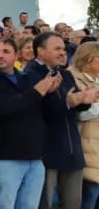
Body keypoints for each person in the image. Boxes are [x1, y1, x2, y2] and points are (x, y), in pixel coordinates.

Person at [0, 37, 56, 209]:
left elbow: (43, 111)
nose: (0, 56)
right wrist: (36, 92)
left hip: (34, 157)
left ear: (16, 55)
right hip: (2, 158)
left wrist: (55, 94)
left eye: (6, 52)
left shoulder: (28, 78)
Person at [23, 33, 99, 209]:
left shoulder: (65, 74)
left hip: (72, 149)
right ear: (40, 51)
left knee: (74, 204)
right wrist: (69, 101)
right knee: (45, 204)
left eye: (64, 49)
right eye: (57, 49)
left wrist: (84, 100)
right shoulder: (29, 75)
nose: (63, 53)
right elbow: (38, 110)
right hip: (46, 153)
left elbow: (74, 108)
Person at [67, 41, 99, 209]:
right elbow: (79, 113)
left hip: (96, 147)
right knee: (89, 197)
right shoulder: (72, 77)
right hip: (85, 145)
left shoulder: (97, 78)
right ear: (88, 59)